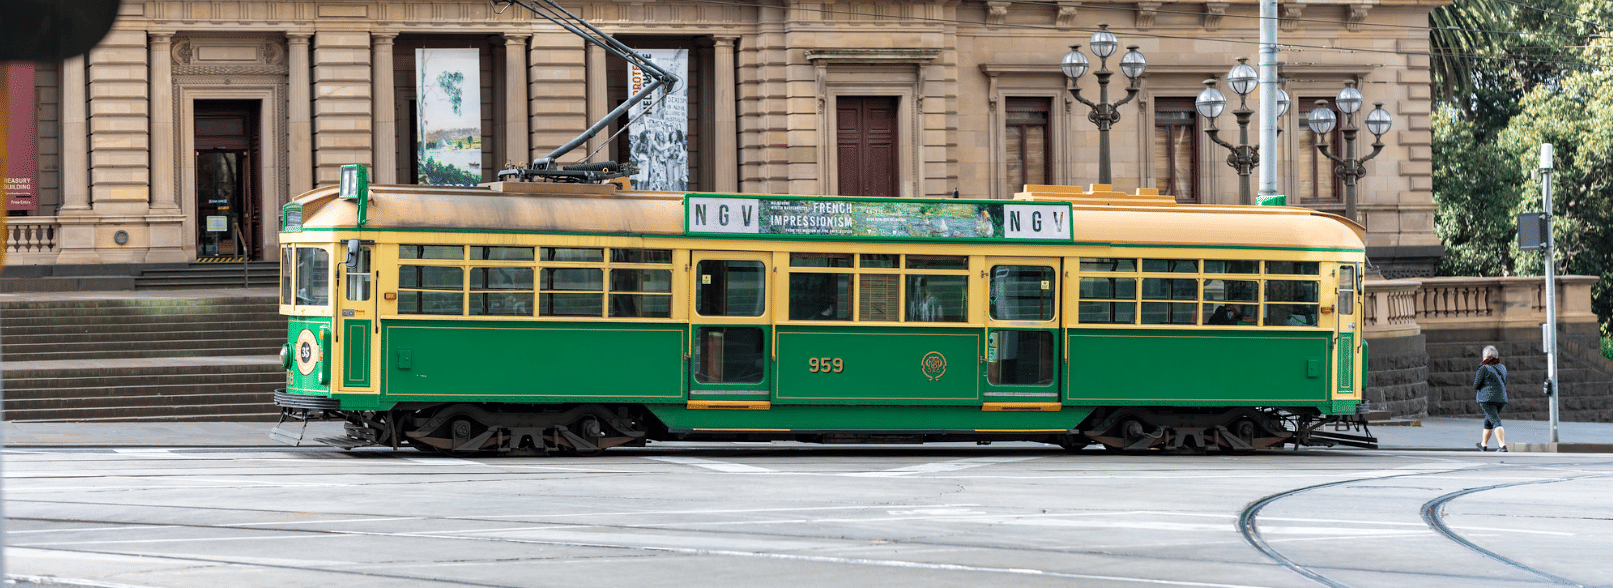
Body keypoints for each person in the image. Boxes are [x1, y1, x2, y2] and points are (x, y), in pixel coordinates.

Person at [1474, 345, 1509, 452]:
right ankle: (1483, 445)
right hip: (1501, 398)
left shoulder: (1484, 368)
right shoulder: (1502, 367)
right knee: (1488, 420)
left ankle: (1502, 445)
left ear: (1485, 356)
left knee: (1495, 420)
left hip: (1487, 399)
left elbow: (1476, 385)